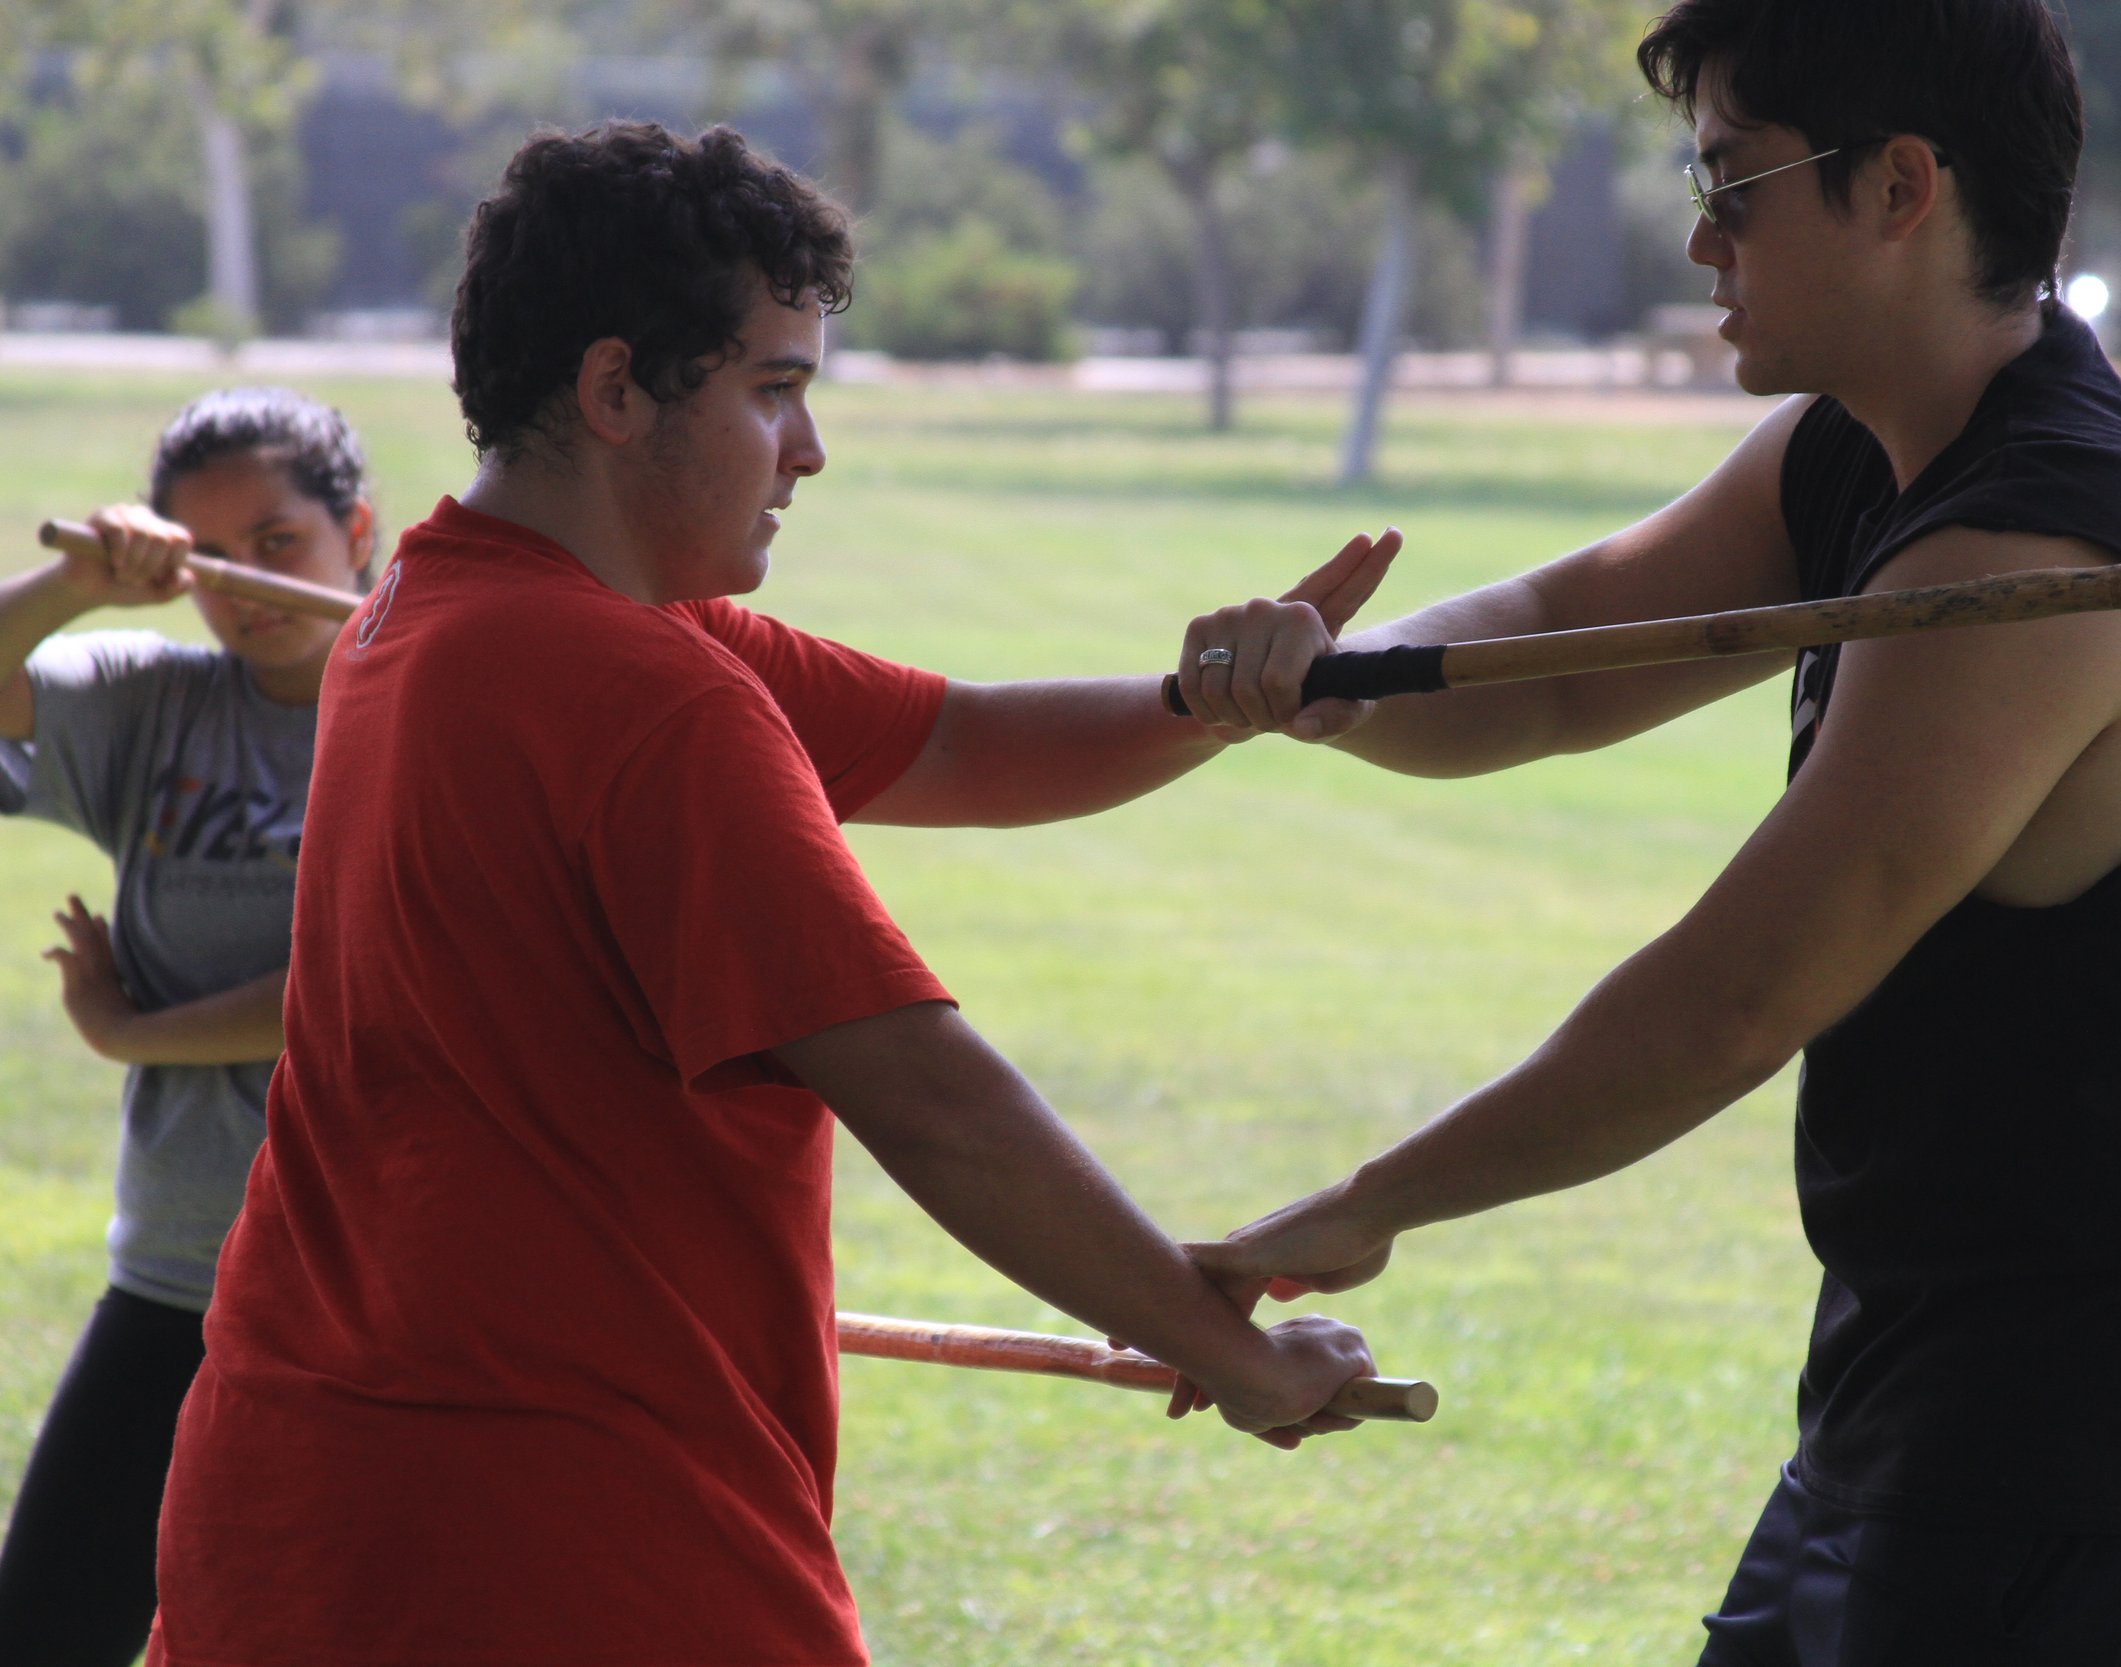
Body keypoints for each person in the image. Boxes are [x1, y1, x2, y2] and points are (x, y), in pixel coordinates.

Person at [1165, 1, 2121, 1661]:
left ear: (1904, 186)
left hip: (2088, 1465)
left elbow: (1732, 998)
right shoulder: (1858, 448)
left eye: (1736, 181)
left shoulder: (2024, 568)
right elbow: (1567, 649)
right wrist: (1340, 681)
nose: (1701, 237)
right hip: (1919, 1399)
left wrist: (1371, 1198)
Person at [145, 122, 1377, 1667]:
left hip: (298, 1497)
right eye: (773, 390)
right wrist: (1230, 1350)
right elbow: (931, 1097)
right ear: (614, 391)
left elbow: (966, 738)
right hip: (560, 1539)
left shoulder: (428, 612)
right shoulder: (644, 690)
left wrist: (1215, 701)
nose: (808, 450)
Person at [0, 388, 378, 1667]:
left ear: (357, 531)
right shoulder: (157, 702)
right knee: (49, 1625)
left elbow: (353, 987)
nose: (243, 582)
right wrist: (75, 582)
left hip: (388, 1286)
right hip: (182, 1267)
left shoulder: (428, 702)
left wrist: (129, 1033)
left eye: (276, 541)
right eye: (206, 552)